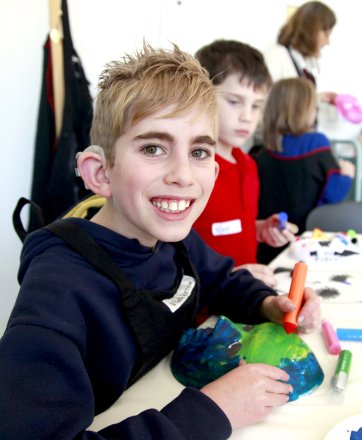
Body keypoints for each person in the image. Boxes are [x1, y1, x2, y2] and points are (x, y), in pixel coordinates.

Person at [0, 43, 320, 440]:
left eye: (199, 151)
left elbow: (220, 280)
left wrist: (269, 304)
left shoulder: (175, 242)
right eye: (153, 148)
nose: (184, 175)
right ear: (100, 173)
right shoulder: (58, 291)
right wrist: (213, 411)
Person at [193, 39, 297, 288]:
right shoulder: (190, 168)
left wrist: (260, 230)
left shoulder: (249, 164)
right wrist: (225, 276)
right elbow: (171, 250)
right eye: (234, 101)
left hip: (244, 299)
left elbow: (228, 227)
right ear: (199, 95)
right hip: (203, 308)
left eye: (256, 106)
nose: (247, 116)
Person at [254, 77, 355, 263]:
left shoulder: (262, 152)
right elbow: (333, 193)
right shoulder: (317, 142)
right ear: (307, 111)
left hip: (267, 247)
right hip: (307, 242)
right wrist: (347, 175)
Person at [264, 1, 337, 105]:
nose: (327, 42)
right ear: (311, 30)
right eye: (326, 34)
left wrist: (316, 98)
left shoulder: (304, 62)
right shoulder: (276, 57)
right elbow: (270, 103)